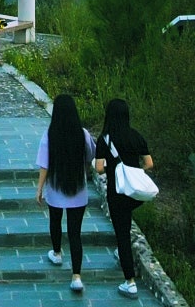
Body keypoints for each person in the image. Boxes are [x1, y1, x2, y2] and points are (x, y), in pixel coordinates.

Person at [35, 94, 96, 294]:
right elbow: (90, 156)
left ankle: (57, 252)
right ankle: (76, 277)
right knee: (75, 233)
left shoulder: (49, 135)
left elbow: (44, 165)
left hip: (55, 189)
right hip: (78, 190)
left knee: (55, 221)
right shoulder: (83, 134)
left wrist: (39, 189)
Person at [94, 97, 154, 299]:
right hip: (134, 193)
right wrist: (134, 171)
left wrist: (115, 170)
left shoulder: (105, 139)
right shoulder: (136, 136)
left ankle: (130, 282)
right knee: (126, 225)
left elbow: (99, 168)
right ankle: (123, 254)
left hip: (116, 192)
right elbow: (149, 163)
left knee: (122, 236)